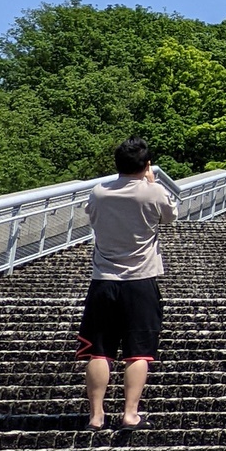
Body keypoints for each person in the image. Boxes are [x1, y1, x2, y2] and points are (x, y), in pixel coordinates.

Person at [77, 138, 177, 435]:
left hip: (103, 281)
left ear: (117, 164)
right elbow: (170, 218)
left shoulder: (99, 192)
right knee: (138, 352)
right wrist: (151, 182)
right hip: (141, 281)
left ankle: (96, 416)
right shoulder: (153, 192)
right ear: (146, 165)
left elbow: (92, 217)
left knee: (99, 351)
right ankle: (130, 414)